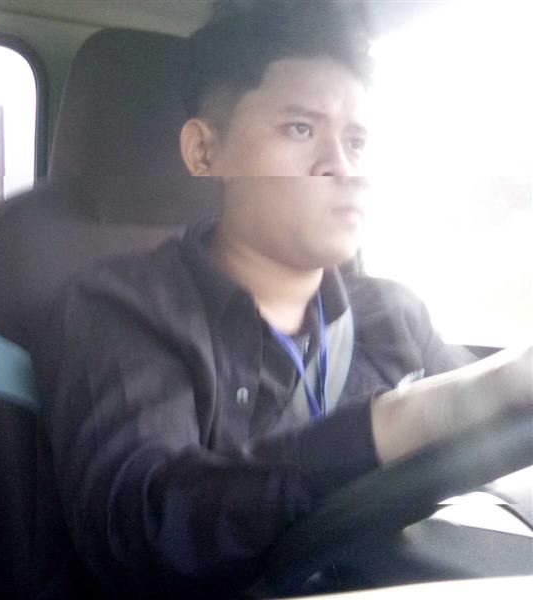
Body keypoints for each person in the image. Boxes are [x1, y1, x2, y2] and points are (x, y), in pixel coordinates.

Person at [32, 2, 532, 598]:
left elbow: (488, 462)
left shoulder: (394, 315)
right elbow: (144, 532)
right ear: (204, 151)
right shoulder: (121, 309)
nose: (340, 167)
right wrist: (400, 420)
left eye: (356, 141)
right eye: (301, 129)